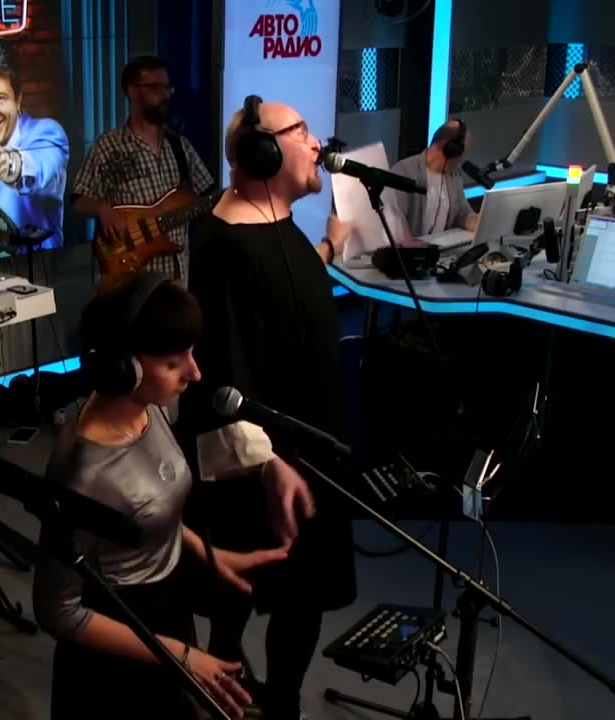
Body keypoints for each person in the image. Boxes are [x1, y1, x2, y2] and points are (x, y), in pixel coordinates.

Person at [33, 272, 287, 720]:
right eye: (174, 362)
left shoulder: (147, 409)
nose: (195, 372)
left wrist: (210, 554)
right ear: (123, 367)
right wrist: (181, 656)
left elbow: (146, 509)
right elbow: (58, 612)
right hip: (117, 654)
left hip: (168, 616)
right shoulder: (83, 473)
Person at [180, 96, 355, 720]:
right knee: (240, 595)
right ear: (262, 152)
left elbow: (284, 299)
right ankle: (229, 700)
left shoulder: (274, 226)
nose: (315, 143)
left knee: (300, 595)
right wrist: (269, 463)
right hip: (260, 466)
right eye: (301, 131)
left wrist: (328, 249)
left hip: (306, 450)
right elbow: (225, 373)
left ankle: (280, 704)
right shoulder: (225, 242)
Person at [73, 55, 215, 284]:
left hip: (176, 279)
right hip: (129, 278)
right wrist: (102, 209)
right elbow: (78, 198)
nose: (165, 95)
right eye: (155, 88)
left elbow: (208, 197)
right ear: (132, 91)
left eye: (167, 88)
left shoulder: (180, 146)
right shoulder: (107, 146)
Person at [0, 38, 70, 251]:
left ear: (18, 99)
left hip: (38, 269)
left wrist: (8, 165)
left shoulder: (47, 133)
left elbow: (40, 168)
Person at [391, 119, 480, 238]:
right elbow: (394, 218)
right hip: (410, 247)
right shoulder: (405, 170)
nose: (462, 158)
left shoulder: (454, 174)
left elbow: (463, 214)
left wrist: (482, 224)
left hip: (442, 246)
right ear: (451, 150)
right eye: (462, 152)